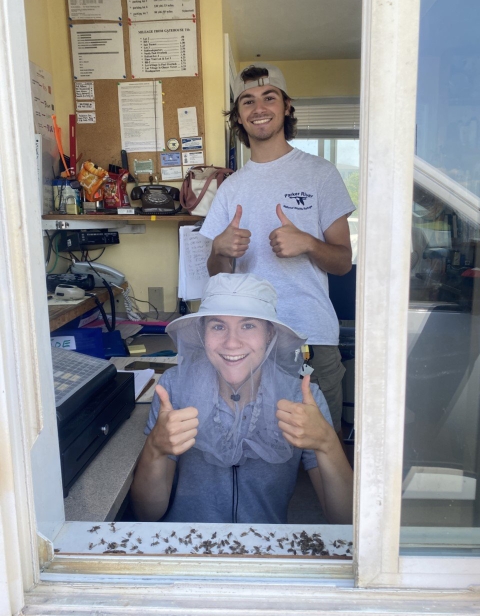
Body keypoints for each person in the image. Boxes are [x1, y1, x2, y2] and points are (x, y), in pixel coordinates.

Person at [200, 62, 356, 437]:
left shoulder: (321, 173)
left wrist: (307, 244)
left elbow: (342, 263)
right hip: (248, 342)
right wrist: (221, 249)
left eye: (269, 97)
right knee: (257, 448)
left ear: (286, 107)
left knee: (320, 450)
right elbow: (217, 273)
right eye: (248, 101)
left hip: (310, 337)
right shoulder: (232, 188)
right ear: (238, 116)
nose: (259, 108)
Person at [130, 273, 353, 524]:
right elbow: (146, 514)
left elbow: (345, 521)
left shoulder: (301, 397)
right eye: (218, 326)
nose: (232, 342)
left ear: (270, 334)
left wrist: (327, 443)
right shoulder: (174, 388)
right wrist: (155, 449)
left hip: (263, 552)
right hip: (185, 548)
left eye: (248, 325)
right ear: (203, 334)